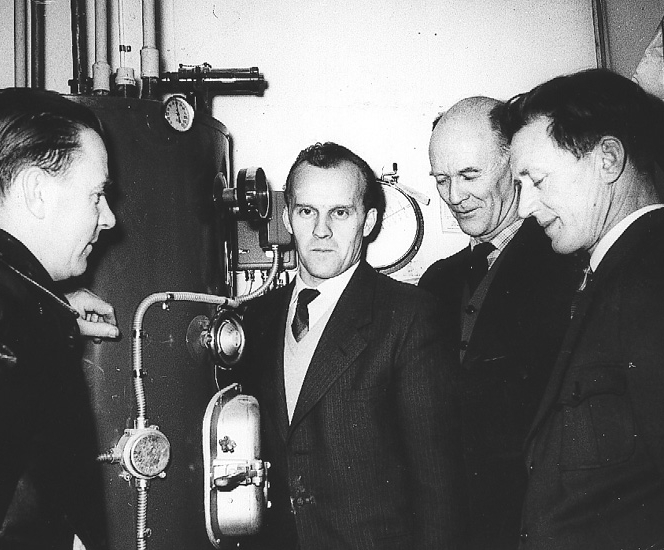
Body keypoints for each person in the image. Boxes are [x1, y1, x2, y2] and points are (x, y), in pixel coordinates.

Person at [240, 142, 465, 550]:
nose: (321, 230)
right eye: (306, 211)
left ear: (369, 221)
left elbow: (438, 487)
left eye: (340, 213)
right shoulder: (254, 319)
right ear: (287, 218)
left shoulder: (409, 317)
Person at [506, 68, 664, 549]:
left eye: (537, 180)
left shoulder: (650, 280)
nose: (524, 208)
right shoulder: (614, 274)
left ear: (608, 159)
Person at [418, 96, 578, 549]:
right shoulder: (436, 281)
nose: (454, 196)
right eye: (442, 179)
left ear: (514, 165)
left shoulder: (566, 264)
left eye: (469, 175)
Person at [0, 87, 118, 550]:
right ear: (36, 192)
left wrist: (47, 312)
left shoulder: (7, 307)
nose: (109, 218)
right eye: (97, 196)